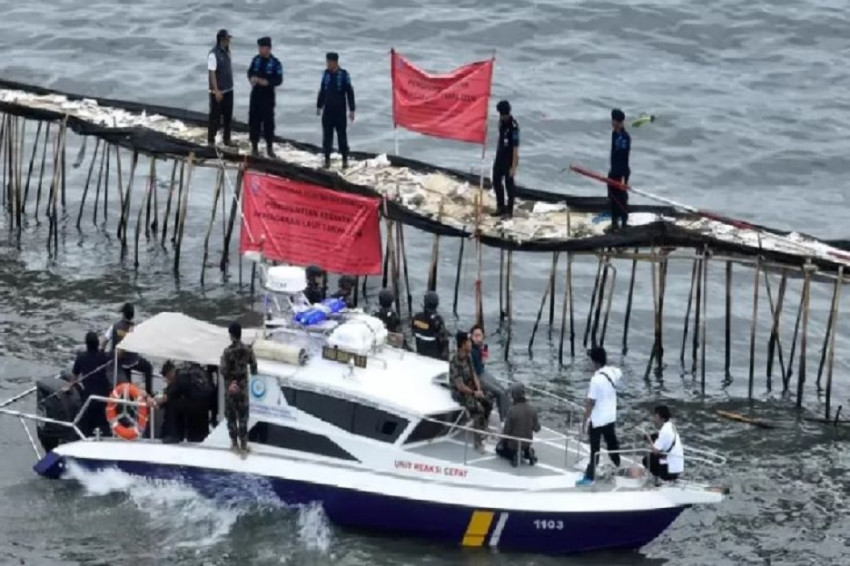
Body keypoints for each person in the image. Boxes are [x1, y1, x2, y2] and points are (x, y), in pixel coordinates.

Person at [576, 346, 623, 486]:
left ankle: (590, 476)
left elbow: (590, 404)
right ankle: (617, 463)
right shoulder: (613, 372)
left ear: (594, 362)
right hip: (610, 417)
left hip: (597, 420)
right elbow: (620, 372)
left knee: (594, 450)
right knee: (612, 443)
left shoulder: (595, 380)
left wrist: (584, 423)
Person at [220, 322, 258, 455]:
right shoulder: (248, 350)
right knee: (243, 417)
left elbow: (223, 371)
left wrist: (230, 382)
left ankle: (234, 444)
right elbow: (254, 369)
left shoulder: (227, 351)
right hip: (242, 389)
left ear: (231, 335)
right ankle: (244, 445)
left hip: (231, 388)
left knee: (231, 417)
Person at [151, 361, 213, 443]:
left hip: (197, 402)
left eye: (167, 378)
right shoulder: (191, 371)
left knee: (173, 405)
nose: (168, 381)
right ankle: (187, 435)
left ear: (170, 372)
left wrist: (155, 400)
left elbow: (168, 395)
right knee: (181, 405)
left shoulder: (180, 376)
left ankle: (173, 435)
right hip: (206, 403)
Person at [450, 331, 491, 452]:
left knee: (488, 401)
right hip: (460, 392)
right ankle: (477, 444)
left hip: (471, 387)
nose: (470, 343)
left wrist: (479, 389)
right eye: (468, 342)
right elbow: (460, 386)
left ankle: (483, 429)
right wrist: (474, 393)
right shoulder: (455, 361)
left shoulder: (468, 357)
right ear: (462, 344)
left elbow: (474, 374)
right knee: (478, 410)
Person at [103, 302, 154, 395]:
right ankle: (149, 392)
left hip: (119, 364)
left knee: (127, 387)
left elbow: (104, 341)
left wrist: (102, 352)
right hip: (133, 361)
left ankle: (129, 398)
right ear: (133, 315)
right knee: (148, 367)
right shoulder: (136, 329)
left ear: (123, 314)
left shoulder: (114, 327)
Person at [316, 52, 356, 169]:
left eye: (329, 62)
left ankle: (344, 160)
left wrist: (352, 109)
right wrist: (319, 105)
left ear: (335, 62)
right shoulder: (326, 74)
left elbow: (350, 92)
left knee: (342, 136)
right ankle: (327, 161)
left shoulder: (344, 75)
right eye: (327, 62)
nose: (328, 64)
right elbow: (322, 90)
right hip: (327, 110)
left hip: (340, 111)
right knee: (327, 136)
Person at [70, 331, 113, 437]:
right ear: (98, 343)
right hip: (104, 396)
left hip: (89, 397)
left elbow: (74, 377)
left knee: (84, 424)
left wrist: (68, 386)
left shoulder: (81, 358)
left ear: (86, 344)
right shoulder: (104, 357)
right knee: (104, 424)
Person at [247, 36, 283, 158]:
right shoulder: (256, 60)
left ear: (268, 48)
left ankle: (269, 148)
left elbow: (279, 79)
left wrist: (268, 82)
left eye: (262, 47)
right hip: (256, 94)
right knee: (254, 121)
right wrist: (251, 78)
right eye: (259, 47)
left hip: (268, 96)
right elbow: (250, 71)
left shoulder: (275, 63)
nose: (260, 50)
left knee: (268, 122)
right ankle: (254, 147)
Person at [470, 324, 510, 422]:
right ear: (471, 336)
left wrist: (484, 350)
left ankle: (507, 416)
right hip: (477, 376)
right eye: (475, 335)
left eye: (479, 335)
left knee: (504, 391)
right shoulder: (470, 349)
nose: (477, 338)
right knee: (499, 393)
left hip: (483, 372)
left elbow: (483, 362)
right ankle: (503, 421)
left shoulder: (482, 347)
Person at [496, 383, 540, 467]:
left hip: (513, 444)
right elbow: (537, 428)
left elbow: (506, 432)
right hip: (527, 443)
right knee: (526, 447)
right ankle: (528, 453)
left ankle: (513, 455)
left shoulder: (512, 410)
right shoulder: (532, 410)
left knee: (499, 449)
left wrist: (501, 442)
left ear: (513, 395)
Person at [491, 100, 519, 218]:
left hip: (509, 159)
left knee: (509, 185)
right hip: (500, 156)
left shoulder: (514, 127)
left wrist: (513, 166)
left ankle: (509, 211)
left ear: (506, 113)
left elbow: (515, 148)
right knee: (496, 180)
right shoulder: (501, 123)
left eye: (501, 114)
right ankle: (500, 206)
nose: (500, 117)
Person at [207, 29, 235, 147]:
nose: (229, 41)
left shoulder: (227, 52)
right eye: (227, 39)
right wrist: (216, 90)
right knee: (215, 117)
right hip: (217, 92)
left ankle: (227, 139)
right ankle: (211, 141)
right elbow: (212, 73)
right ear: (222, 40)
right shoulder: (213, 54)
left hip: (228, 90)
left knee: (228, 117)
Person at [644, 405, 684, 482]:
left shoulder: (664, 432)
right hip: (678, 467)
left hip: (670, 470)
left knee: (647, 459)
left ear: (662, 418)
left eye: (655, 417)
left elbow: (655, 451)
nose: (654, 419)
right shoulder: (671, 426)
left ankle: (658, 480)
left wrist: (649, 440)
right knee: (656, 457)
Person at [607, 108, 631, 231]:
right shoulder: (614, 134)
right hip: (613, 170)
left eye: (614, 120)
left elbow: (623, 158)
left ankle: (624, 224)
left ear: (619, 122)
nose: (612, 123)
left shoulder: (624, 138)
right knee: (611, 196)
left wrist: (622, 179)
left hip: (621, 172)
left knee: (621, 198)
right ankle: (614, 223)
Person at [412, 291, 449, 360]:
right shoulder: (438, 320)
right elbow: (444, 341)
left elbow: (413, 331)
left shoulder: (417, 317)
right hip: (434, 357)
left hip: (420, 352)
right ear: (437, 304)